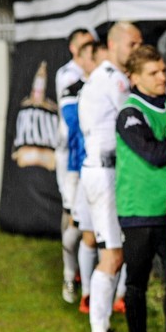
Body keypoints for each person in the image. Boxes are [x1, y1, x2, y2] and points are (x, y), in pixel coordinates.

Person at [114, 44, 166, 332]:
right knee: (137, 282)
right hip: (138, 211)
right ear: (135, 77)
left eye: (163, 71)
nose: (161, 78)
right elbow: (154, 154)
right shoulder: (130, 113)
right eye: (153, 73)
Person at [78, 21, 142, 332]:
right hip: (104, 174)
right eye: (131, 45)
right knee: (112, 256)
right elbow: (133, 119)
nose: (135, 51)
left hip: (102, 172)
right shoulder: (113, 80)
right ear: (114, 44)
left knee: (113, 255)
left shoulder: (104, 78)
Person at [59, 41, 107, 313]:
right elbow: (75, 123)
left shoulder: (109, 87)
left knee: (102, 238)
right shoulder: (73, 90)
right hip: (79, 171)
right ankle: (70, 276)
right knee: (75, 232)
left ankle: (95, 296)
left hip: (106, 172)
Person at [55, 28, 94, 303]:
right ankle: (70, 275)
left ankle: (88, 283)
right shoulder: (68, 78)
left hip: (91, 164)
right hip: (73, 163)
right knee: (71, 218)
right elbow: (72, 127)